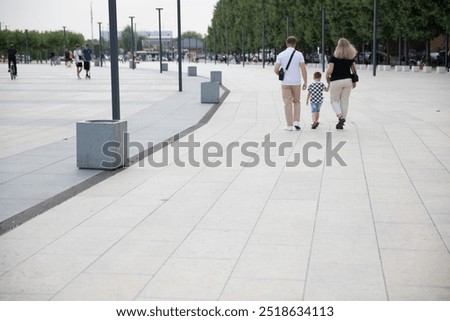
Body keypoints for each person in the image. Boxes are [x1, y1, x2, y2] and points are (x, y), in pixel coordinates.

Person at [274, 36, 308, 131]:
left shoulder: (281, 55)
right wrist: (305, 81)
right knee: (297, 102)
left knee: (287, 103)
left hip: (285, 83)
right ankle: (296, 121)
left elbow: (276, 69)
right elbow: (303, 69)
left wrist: (281, 75)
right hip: (296, 82)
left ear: (286, 43)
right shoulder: (299, 54)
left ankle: (289, 125)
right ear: (295, 44)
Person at [326, 38, 358, 130]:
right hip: (347, 80)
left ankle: (340, 117)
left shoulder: (334, 57)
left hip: (336, 81)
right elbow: (354, 70)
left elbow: (330, 71)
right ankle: (342, 122)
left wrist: (327, 77)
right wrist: (354, 81)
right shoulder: (351, 57)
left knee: (334, 100)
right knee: (344, 101)